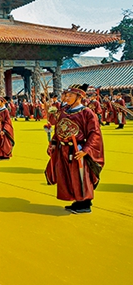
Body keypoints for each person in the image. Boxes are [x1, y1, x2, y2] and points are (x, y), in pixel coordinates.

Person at [46, 84, 104, 213]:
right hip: (63, 149)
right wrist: (54, 142)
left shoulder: (87, 113)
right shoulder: (63, 111)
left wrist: (86, 150)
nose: (66, 98)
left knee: (80, 176)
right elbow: (58, 128)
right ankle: (76, 200)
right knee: (66, 175)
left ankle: (85, 203)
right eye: (66, 95)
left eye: (70, 95)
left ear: (79, 97)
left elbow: (94, 133)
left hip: (77, 149)